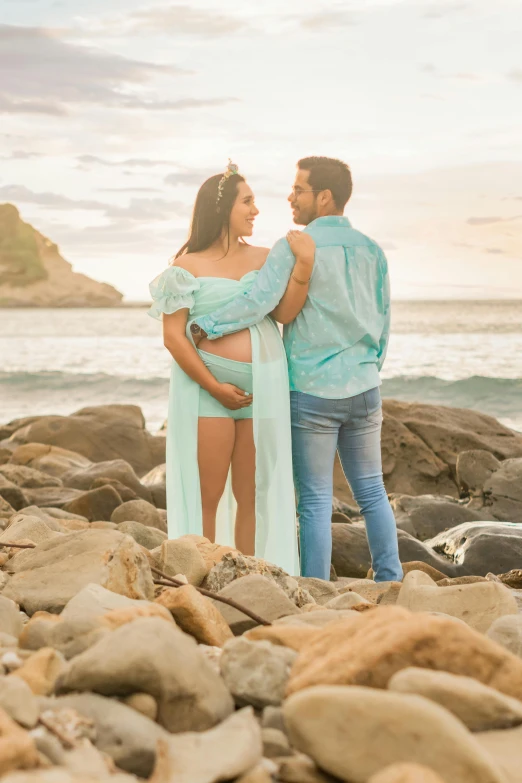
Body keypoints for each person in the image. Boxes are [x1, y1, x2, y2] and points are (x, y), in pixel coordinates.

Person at [193, 156, 403, 583]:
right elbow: (383, 319)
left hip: (312, 391)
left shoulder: (293, 246)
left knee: (314, 499)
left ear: (323, 197)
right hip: (365, 387)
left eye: (299, 190)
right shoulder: (372, 250)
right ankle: (390, 578)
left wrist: (205, 326)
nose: (290, 197)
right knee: (372, 491)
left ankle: (316, 587)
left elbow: (258, 303)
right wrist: (371, 366)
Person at [148, 161, 314, 576]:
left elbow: (285, 313)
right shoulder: (187, 266)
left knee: (251, 494)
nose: (256, 209)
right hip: (209, 393)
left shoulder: (268, 259)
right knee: (209, 493)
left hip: (264, 391)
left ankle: (249, 577)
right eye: (248, 201)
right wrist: (215, 386)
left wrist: (303, 271)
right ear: (222, 207)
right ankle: (204, 574)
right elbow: (174, 337)